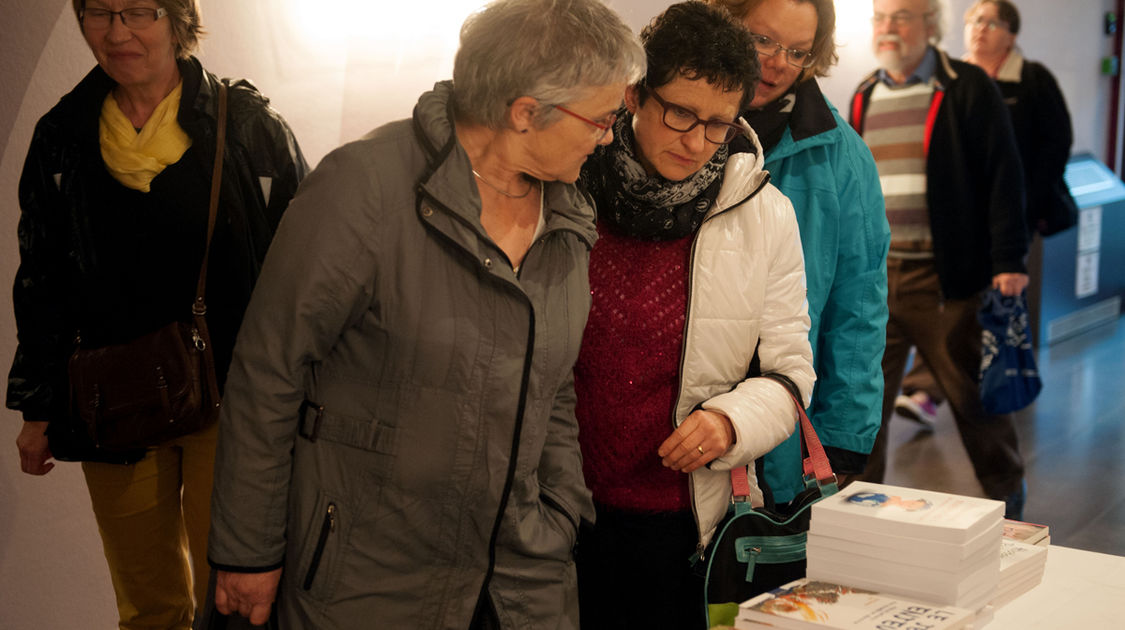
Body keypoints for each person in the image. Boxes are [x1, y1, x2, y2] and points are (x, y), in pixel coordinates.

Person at [203, 1, 646, 628]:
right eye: (600, 119)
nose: (607, 137)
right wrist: (247, 551)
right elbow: (268, 371)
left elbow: (552, 389)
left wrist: (559, 508)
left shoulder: (567, 210)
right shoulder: (363, 187)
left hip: (523, 579)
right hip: (368, 578)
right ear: (525, 113)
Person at [7, 1, 307, 628]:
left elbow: (302, 270)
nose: (117, 33)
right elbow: (42, 278)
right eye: (98, 12)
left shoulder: (245, 124)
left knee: (232, 600)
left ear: (176, 17)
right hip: (112, 407)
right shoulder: (62, 134)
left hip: (232, 403)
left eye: (139, 11)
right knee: (148, 606)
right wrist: (37, 407)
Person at [573, 3, 815, 627]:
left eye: (718, 124)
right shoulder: (569, 189)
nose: (696, 141)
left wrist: (731, 422)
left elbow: (791, 375)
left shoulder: (764, 213)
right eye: (679, 113)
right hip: (559, 511)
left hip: (689, 526)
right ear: (634, 94)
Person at [849, 0, 1030, 519]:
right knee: (862, 399)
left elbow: (1004, 176)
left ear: (931, 25)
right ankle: (858, 507)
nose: (889, 28)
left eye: (902, 16)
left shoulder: (967, 86)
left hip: (944, 279)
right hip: (877, 279)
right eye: (881, 18)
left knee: (974, 397)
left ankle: (1006, 492)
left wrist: (1009, 259)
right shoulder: (864, 93)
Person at [710, 0, 890, 504]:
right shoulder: (677, 127)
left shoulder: (841, 154)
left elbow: (859, 304)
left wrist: (845, 432)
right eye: (761, 40)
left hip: (784, 428)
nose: (777, 63)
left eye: (797, 51)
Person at [896, 0, 1078, 422]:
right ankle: (933, 391)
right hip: (959, 217)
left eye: (991, 22)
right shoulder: (953, 81)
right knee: (954, 304)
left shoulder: (1030, 80)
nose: (980, 29)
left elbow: (1056, 143)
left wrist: (1023, 199)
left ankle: (993, 383)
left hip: (1013, 212)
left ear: (1010, 34)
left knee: (987, 302)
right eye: (974, 21)